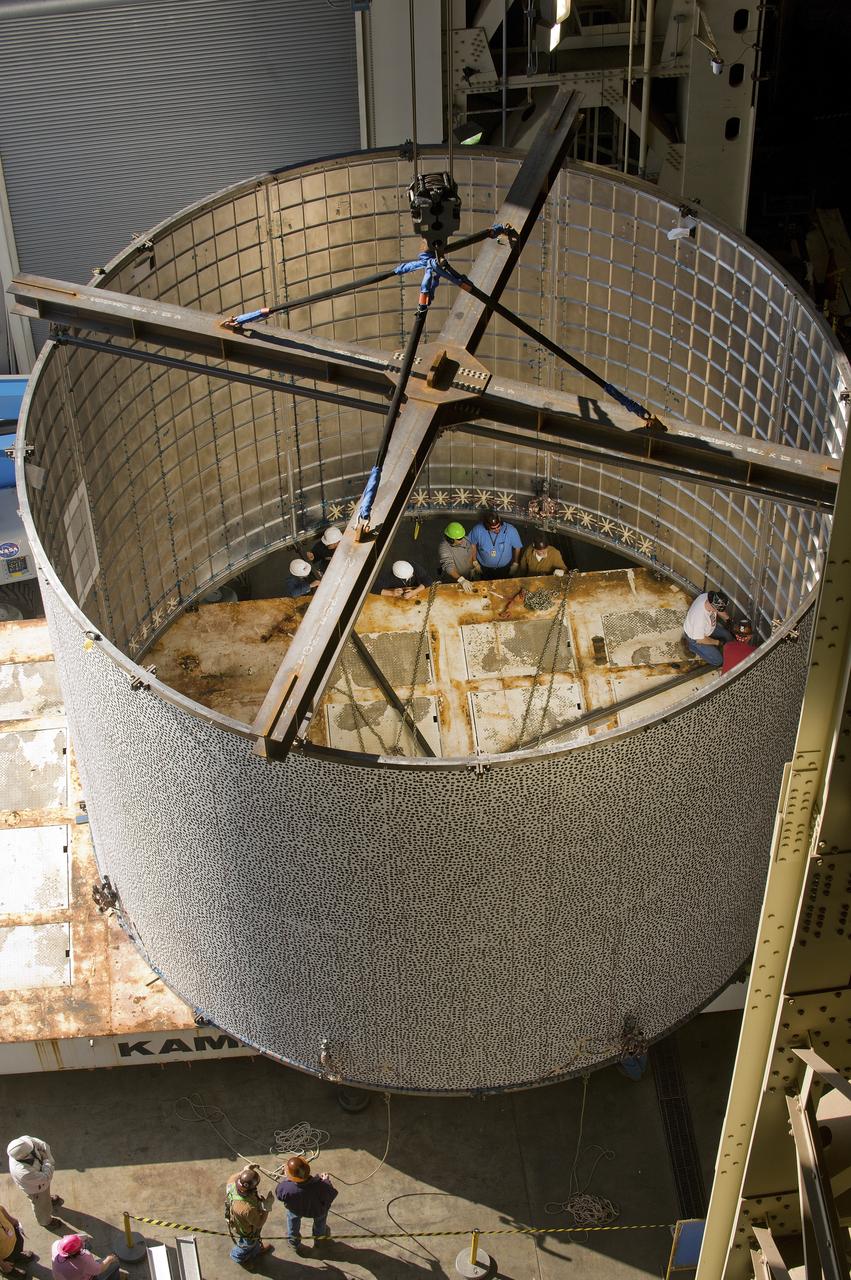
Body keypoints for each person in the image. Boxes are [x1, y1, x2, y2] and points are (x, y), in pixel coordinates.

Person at [274, 1156, 337, 1256]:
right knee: (320, 1223)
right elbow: (330, 1195)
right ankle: (319, 1240)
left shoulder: (285, 1187)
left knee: (293, 1223)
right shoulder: (321, 1186)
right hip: (317, 1210)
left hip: (295, 1210)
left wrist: (287, 1178)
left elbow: (280, 1196)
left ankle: (294, 1242)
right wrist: (326, 1180)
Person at [224, 1166, 274, 1270]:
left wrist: (245, 1171)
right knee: (247, 1244)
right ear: (252, 1188)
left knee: (255, 1241)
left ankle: (256, 1250)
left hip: (239, 1219)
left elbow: (238, 1176)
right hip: (247, 1231)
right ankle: (238, 1257)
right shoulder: (247, 1209)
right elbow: (259, 1223)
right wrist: (267, 1207)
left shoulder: (232, 1182)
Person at [7, 1136, 60, 1228]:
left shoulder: (25, 1142)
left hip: (42, 1184)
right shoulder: (23, 1172)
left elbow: (42, 1144)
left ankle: (47, 1200)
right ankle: (46, 1222)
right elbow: (45, 1177)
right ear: (23, 1156)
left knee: (45, 1196)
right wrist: (47, 1161)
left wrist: (49, 1157)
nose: (33, 1146)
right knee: (40, 1206)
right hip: (36, 1190)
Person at [682, 589, 733, 668]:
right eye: (716, 610)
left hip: (708, 628)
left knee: (728, 636)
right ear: (713, 606)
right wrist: (718, 642)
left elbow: (719, 610)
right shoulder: (699, 617)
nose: (718, 611)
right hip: (695, 638)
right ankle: (691, 646)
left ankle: (714, 647)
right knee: (718, 661)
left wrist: (728, 619)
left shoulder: (708, 597)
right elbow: (701, 640)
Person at [467, 510, 522, 579]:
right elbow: (472, 544)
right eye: (493, 528)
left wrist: (515, 563)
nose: (497, 530)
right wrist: (474, 562)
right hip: (484, 567)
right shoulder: (477, 529)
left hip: (504, 567)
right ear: (487, 526)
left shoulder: (511, 530)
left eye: (498, 526)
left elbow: (517, 547)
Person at [51, 1235, 119, 1279]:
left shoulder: (56, 1244)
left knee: (86, 1242)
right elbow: (99, 1269)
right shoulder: (83, 1260)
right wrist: (109, 1259)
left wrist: (81, 1237)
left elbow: (68, 1239)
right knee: (114, 1263)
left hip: (61, 1277)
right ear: (76, 1252)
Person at [438, 522, 478, 591]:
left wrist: (474, 562)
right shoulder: (444, 547)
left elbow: (472, 547)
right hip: (454, 579)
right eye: (459, 539)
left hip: (468, 575)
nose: (463, 540)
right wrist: (461, 580)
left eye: (463, 537)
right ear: (451, 539)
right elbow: (449, 566)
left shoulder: (465, 539)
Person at [0, 1203, 33, 1277]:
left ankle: (17, 1256)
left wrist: (12, 1220)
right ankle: (7, 1271)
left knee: (18, 1246)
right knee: (8, 1261)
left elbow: (1, 1209)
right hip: (5, 1254)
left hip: (13, 1238)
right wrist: (2, 1265)